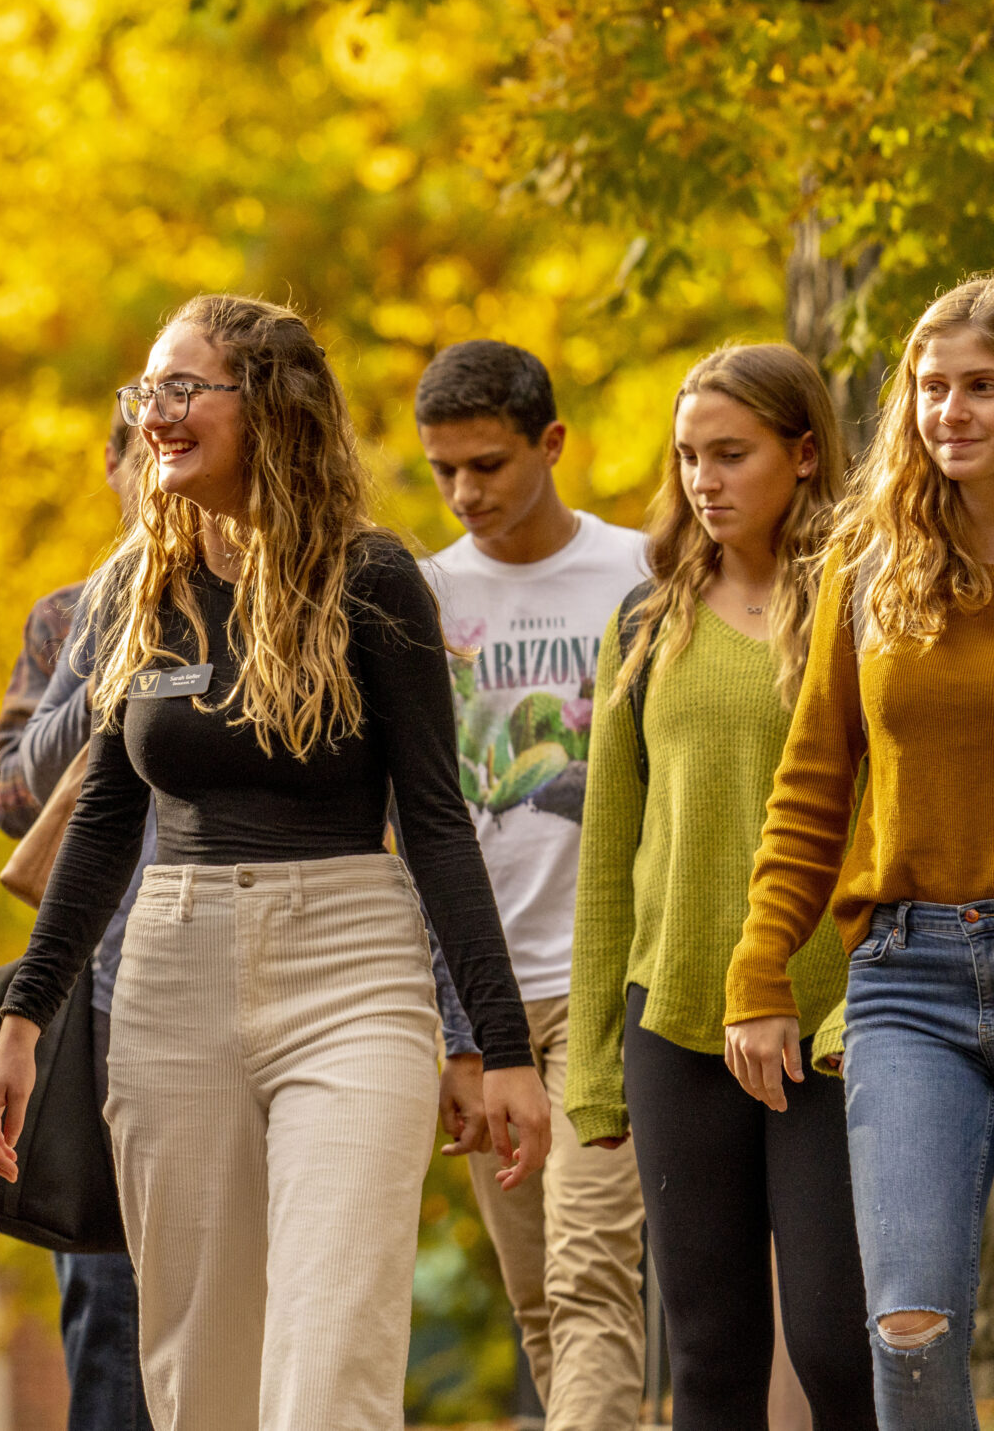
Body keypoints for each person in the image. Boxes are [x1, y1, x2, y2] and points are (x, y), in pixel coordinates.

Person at [0, 294, 546, 1431]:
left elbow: (435, 821)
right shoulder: (141, 588)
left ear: (267, 404)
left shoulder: (373, 581)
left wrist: (498, 1045)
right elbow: (101, 825)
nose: (154, 414)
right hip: (170, 978)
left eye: (181, 388)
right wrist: (22, 1027)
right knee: (202, 1370)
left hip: (350, 970)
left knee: (331, 1347)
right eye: (146, 392)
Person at [561, 343, 868, 1427]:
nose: (704, 479)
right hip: (677, 1022)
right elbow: (609, 859)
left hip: (836, 1020)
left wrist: (836, 1002)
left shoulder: (864, 614)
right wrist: (593, 1064)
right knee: (709, 1359)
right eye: (689, 456)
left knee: (841, 1349)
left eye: (730, 454)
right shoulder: (645, 629)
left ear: (801, 454)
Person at [726, 283, 994, 1431]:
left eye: (980, 386)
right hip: (909, 975)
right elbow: (815, 777)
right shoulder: (874, 561)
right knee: (910, 1329)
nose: (951, 411)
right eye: (932, 388)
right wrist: (759, 967)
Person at [412, 339, 649, 1431]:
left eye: (489, 466)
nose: (465, 494)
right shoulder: (416, 598)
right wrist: (454, 1028)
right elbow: (402, 828)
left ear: (551, 444)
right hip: (486, 998)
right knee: (539, 1300)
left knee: (593, 1276)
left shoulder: (640, 574)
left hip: (613, 985)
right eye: (444, 470)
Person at [0, 408, 153, 1431]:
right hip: (97, 992)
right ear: (113, 466)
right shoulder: (66, 618)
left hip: (240, 977)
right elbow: (10, 796)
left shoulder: (267, 606)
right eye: (147, 455)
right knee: (108, 1300)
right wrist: (107, 665)